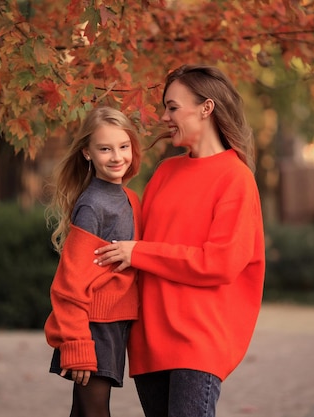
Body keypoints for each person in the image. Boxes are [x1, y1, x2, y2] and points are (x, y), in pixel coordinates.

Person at [93, 65, 265, 417]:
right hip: (147, 343)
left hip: (199, 342)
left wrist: (141, 253)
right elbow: (125, 248)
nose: (164, 116)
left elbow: (219, 263)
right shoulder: (165, 172)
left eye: (172, 107)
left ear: (206, 107)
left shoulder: (236, 178)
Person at [44, 106, 142, 417]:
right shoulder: (92, 206)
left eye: (123, 146)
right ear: (87, 153)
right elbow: (69, 284)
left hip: (115, 325)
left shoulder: (131, 199)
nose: (117, 157)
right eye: (105, 149)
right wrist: (77, 343)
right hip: (92, 328)